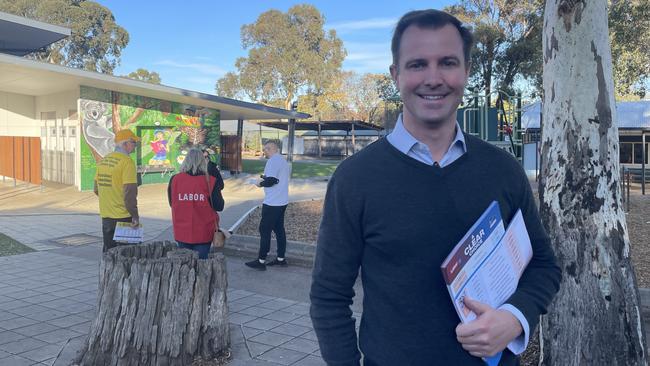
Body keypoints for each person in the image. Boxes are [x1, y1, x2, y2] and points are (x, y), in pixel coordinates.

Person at [309, 9, 561, 366]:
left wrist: (515, 318)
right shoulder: (354, 180)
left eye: (447, 62)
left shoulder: (503, 170)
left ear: (466, 71)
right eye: (417, 65)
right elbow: (329, 297)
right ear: (395, 75)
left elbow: (545, 267)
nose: (433, 78)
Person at [167, 148, 222, 259]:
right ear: (203, 161)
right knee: (201, 264)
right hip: (204, 231)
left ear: (186, 161)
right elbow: (219, 206)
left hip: (182, 230)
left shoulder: (174, 179)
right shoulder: (210, 180)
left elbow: (172, 203)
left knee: (184, 266)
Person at [245, 140, 291, 270]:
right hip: (282, 201)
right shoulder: (282, 160)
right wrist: (264, 178)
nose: (265, 151)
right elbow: (276, 179)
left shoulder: (273, 161)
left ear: (274, 149)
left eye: (267, 149)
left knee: (264, 230)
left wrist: (258, 183)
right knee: (279, 230)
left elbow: (271, 181)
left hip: (272, 202)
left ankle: (261, 261)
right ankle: (281, 259)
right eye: (264, 149)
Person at [94, 129, 140, 253]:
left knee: (109, 255)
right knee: (128, 255)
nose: (135, 146)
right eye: (134, 142)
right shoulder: (127, 162)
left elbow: (96, 189)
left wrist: (110, 200)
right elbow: (129, 194)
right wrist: (135, 216)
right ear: (125, 144)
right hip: (124, 218)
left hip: (106, 218)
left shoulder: (104, 160)